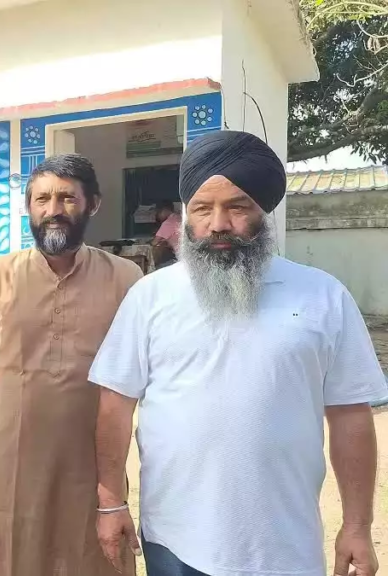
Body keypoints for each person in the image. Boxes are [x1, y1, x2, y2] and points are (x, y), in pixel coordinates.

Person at [91, 130, 387, 576]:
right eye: (203, 209)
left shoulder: (323, 295)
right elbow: (114, 407)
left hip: (284, 543)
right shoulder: (149, 297)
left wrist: (358, 526)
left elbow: (350, 417)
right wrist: (111, 503)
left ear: (263, 211)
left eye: (237, 207)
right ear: (186, 215)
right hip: (175, 540)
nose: (218, 224)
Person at [0, 155, 142, 576]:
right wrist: (11, 406)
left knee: (93, 556)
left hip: (93, 458)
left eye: (68, 198)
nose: (53, 210)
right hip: (15, 457)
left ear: (93, 204)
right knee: (13, 557)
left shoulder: (126, 277)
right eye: (42, 199)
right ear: (28, 207)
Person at [152, 200, 181, 267]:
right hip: (186, 255)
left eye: (158, 212)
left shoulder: (168, 223)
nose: (157, 216)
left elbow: (154, 242)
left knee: (158, 267)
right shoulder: (178, 218)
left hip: (179, 258)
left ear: (165, 210)